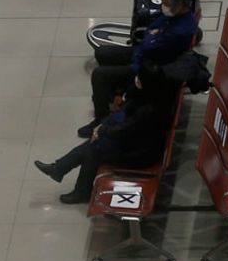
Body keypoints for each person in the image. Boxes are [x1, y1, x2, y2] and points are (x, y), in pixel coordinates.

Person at [36, 65, 179, 204]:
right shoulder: (154, 95)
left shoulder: (147, 110)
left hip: (141, 154)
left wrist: (102, 131)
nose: (135, 80)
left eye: (138, 79)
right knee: (94, 144)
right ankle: (60, 170)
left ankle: (78, 189)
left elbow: (126, 130)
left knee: (93, 151)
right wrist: (103, 126)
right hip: (140, 142)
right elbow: (125, 119)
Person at [84, 0, 197, 138]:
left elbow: (150, 47)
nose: (163, 7)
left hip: (149, 67)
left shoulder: (180, 30)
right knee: (102, 53)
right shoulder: (174, 15)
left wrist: (149, 41)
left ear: (178, 5)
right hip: (144, 54)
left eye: (166, 3)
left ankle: (101, 117)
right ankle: (114, 94)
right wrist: (150, 39)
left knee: (99, 75)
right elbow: (150, 31)